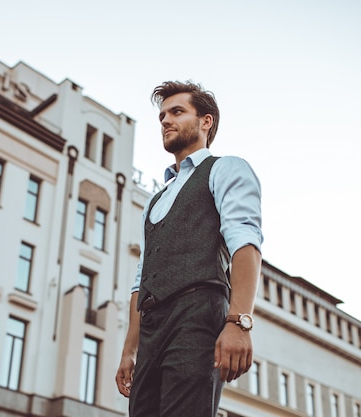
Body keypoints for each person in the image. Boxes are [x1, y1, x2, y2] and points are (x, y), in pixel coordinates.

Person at [115, 81, 263, 417]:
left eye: (177, 112)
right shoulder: (155, 200)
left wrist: (239, 322)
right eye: (162, 115)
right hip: (153, 325)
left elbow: (246, 243)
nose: (166, 120)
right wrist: (129, 350)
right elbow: (143, 279)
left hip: (198, 312)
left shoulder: (225, 169)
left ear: (206, 122)